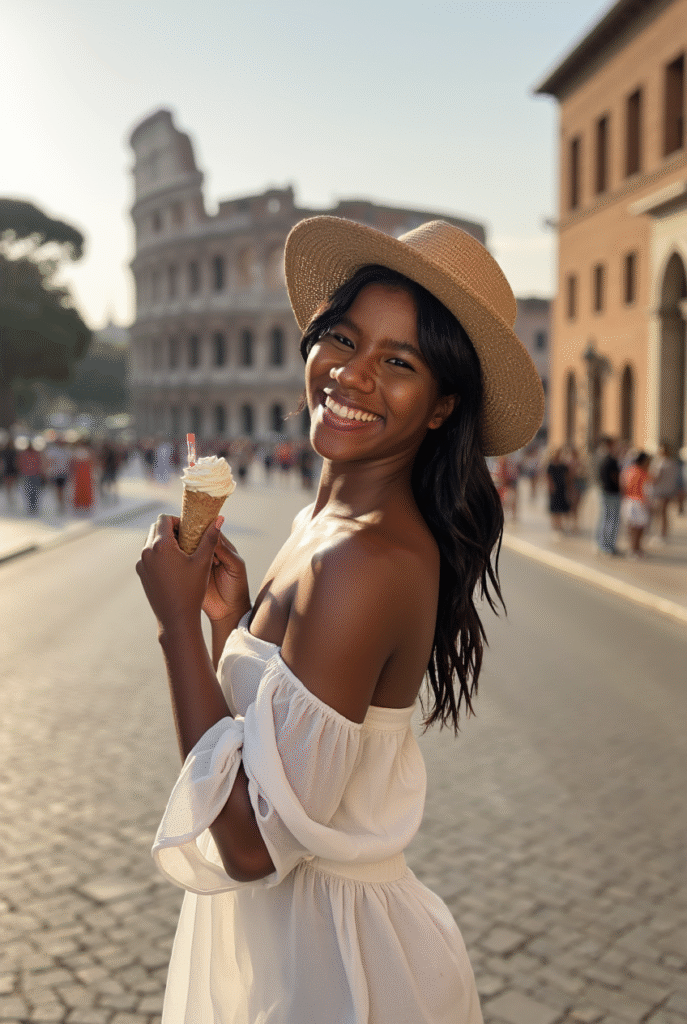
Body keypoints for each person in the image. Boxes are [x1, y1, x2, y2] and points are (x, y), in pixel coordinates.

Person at [136, 216, 544, 1024]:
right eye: (344, 338)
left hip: (332, 971)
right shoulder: (321, 527)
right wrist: (227, 626)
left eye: (398, 362)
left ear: (440, 406)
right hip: (302, 944)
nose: (351, 375)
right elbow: (280, 741)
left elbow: (251, 848)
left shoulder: (361, 558)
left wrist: (175, 626)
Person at [621, 451, 651, 557]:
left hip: (629, 501)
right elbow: (647, 488)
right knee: (637, 528)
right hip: (638, 502)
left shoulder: (629, 470)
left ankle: (635, 548)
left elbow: (623, 485)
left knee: (633, 527)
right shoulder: (642, 473)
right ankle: (634, 549)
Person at [648, 441, 680, 541]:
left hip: (660, 492)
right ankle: (663, 533)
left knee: (661, 514)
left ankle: (662, 534)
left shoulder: (660, 464)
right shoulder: (672, 463)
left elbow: (655, 478)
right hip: (668, 491)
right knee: (663, 513)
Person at [596, 436, 622, 555]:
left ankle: (602, 544)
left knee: (605, 518)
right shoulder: (611, 460)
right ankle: (607, 546)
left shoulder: (601, 458)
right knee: (612, 520)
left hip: (605, 491)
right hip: (612, 492)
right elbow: (616, 477)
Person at [546, 446, 570, 536]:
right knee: (554, 507)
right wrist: (551, 486)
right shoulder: (551, 465)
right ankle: (555, 525)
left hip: (561, 488)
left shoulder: (563, 465)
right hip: (554, 489)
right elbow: (548, 477)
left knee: (560, 507)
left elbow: (567, 476)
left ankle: (560, 525)